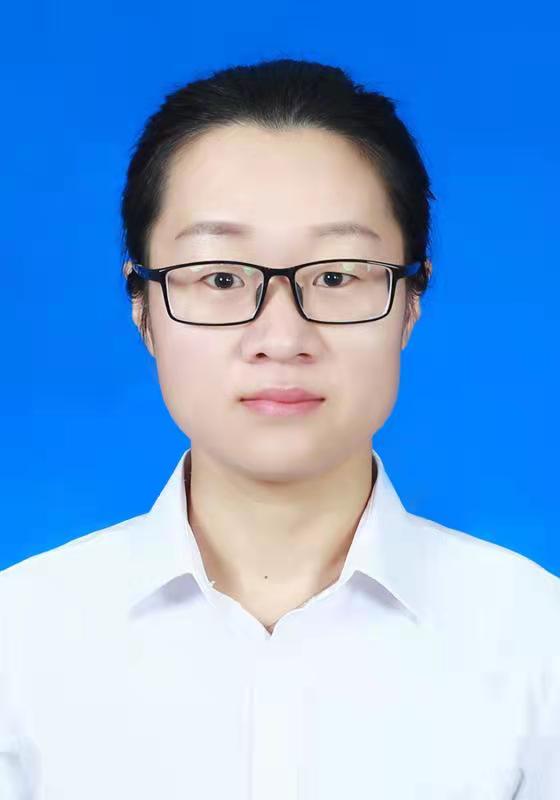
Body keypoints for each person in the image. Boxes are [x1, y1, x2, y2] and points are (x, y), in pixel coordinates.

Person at [1, 58, 558, 799]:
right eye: (221, 278)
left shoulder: (537, 644)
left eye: (336, 276)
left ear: (411, 302)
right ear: (142, 308)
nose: (282, 337)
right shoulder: (21, 642)